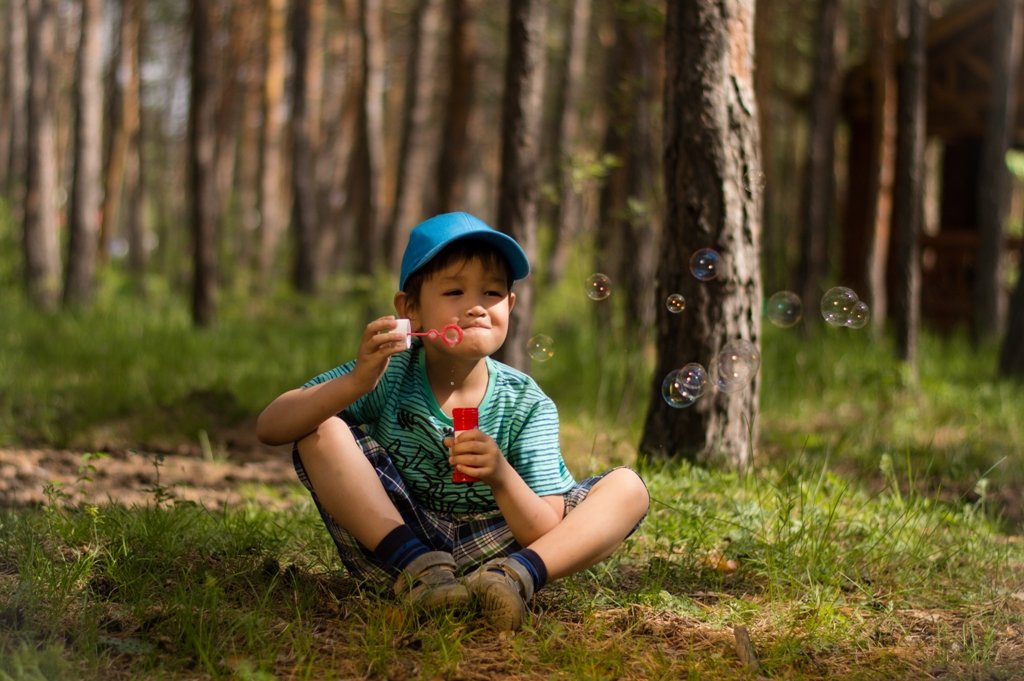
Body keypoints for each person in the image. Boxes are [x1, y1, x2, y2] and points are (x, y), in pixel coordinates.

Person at [256, 212, 649, 630]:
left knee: (629, 488)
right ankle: (424, 574)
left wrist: (501, 476)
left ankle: (513, 581)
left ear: (511, 306)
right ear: (411, 310)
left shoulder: (527, 403)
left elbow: (543, 530)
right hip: (399, 549)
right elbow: (271, 427)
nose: (477, 306)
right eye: (455, 291)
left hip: (502, 552)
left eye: (493, 292)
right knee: (322, 427)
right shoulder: (386, 375)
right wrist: (356, 382)